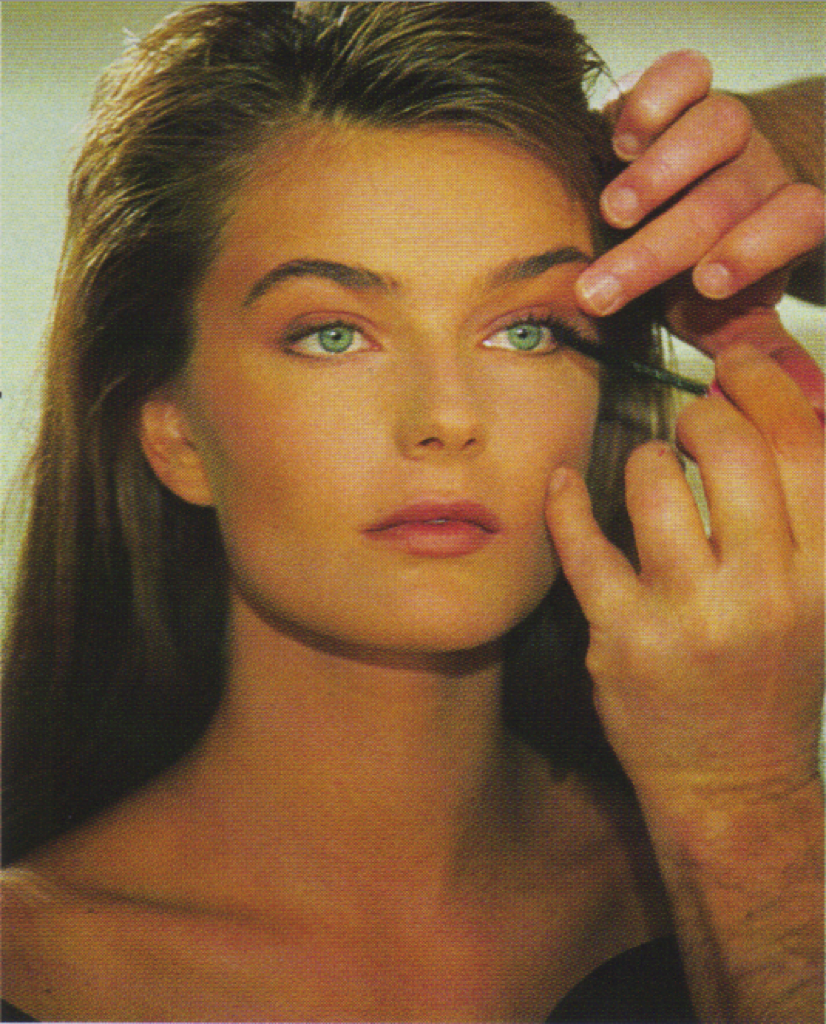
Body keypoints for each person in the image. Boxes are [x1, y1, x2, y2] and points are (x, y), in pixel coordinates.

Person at [2, 3, 823, 1021]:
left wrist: (788, 143)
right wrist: (742, 803)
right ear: (174, 435)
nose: (446, 419)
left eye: (525, 331)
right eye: (334, 335)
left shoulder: (752, 866)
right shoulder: (29, 963)